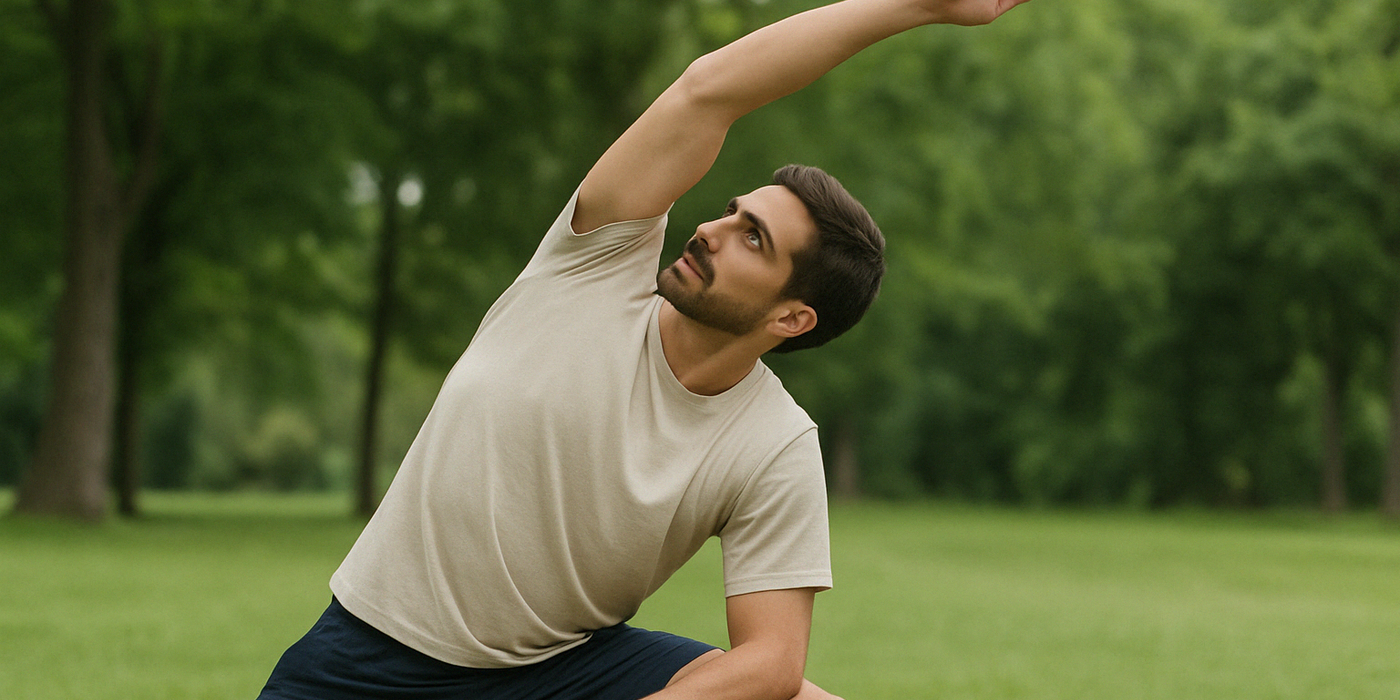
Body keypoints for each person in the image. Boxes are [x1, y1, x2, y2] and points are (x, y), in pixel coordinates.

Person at [256, 1, 1031, 699]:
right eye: (732, 212)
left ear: (792, 318)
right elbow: (708, 91)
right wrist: (920, 4)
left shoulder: (774, 445)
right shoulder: (594, 265)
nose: (711, 230)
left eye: (752, 240)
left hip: (558, 672)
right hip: (367, 657)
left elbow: (772, 661)